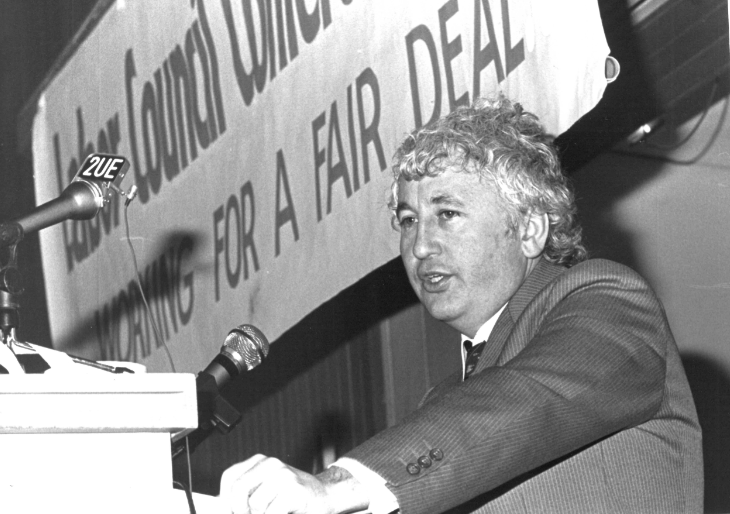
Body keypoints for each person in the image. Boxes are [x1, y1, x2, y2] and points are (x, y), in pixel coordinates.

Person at [219, 96, 703, 513]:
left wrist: (334, 486)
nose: (420, 246)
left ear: (530, 229)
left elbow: (524, 401)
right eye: (408, 220)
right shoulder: (444, 398)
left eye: (446, 214)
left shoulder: (608, 299)